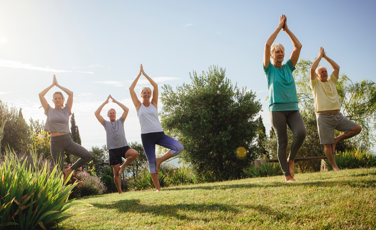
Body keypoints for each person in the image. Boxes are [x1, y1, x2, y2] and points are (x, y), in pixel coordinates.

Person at [263, 15, 306, 182]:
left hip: (293, 108)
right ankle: (287, 175)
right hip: (277, 110)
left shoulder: (289, 66)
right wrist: (278, 26)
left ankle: (291, 159)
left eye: (282, 51)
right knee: (283, 141)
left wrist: (286, 30)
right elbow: (267, 44)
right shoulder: (269, 69)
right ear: (272, 55)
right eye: (277, 51)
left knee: (301, 133)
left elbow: (298, 46)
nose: (280, 53)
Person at [130, 64, 184, 191]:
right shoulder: (138, 105)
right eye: (144, 92)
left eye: (148, 92)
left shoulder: (154, 103)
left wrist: (145, 74)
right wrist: (139, 74)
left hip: (159, 134)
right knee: (151, 163)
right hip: (146, 136)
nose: (147, 93)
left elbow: (155, 86)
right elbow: (131, 89)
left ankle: (160, 160)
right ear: (141, 95)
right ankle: (158, 189)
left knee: (179, 147)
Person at [310, 47, 361, 171]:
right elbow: (312, 69)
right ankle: (334, 167)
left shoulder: (332, 81)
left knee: (357, 128)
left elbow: (336, 68)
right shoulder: (315, 84)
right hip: (323, 117)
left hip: (338, 116)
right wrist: (319, 57)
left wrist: (325, 57)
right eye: (321, 71)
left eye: (325, 71)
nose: (324, 73)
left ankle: (336, 139)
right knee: (327, 144)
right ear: (317, 75)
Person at [39, 75, 92, 183]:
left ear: (62, 99)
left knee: (87, 155)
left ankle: (69, 170)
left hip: (67, 140)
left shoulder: (67, 109)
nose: (57, 100)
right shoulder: (49, 110)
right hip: (55, 142)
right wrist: (52, 85)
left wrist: (58, 85)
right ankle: (62, 196)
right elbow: (41, 95)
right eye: (55, 98)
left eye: (59, 98)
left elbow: (71, 93)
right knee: (58, 171)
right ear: (52, 100)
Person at [94, 95, 139, 194]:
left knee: (135, 153)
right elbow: (96, 113)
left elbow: (126, 110)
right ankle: (120, 192)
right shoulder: (106, 123)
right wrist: (105, 103)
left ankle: (122, 167)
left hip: (123, 147)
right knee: (116, 172)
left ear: (115, 114)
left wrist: (115, 101)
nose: (112, 114)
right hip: (113, 149)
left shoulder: (120, 121)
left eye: (113, 113)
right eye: (110, 113)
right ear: (108, 115)